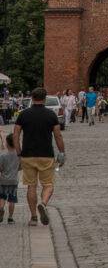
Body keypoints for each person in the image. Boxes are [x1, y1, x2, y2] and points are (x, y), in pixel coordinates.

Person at [14, 87, 65, 226]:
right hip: (46, 155)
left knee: (31, 186)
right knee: (48, 185)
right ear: (45, 98)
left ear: (31, 97)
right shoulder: (51, 115)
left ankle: (33, 218)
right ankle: (43, 203)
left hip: (28, 155)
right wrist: (62, 152)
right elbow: (58, 135)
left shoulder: (23, 114)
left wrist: (19, 153)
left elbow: (16, 135)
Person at [0, 131, 20, 224]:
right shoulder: (18, 156)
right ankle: (10, 218)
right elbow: (21, 167)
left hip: (3, 180)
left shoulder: (3, 155)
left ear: (7, 144)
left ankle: (1, 208)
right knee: (12, 199)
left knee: (2, 197)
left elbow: (0, 168)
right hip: (14, 181)